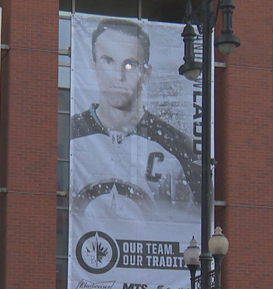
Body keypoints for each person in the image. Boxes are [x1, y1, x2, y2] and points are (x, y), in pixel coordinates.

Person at [69, 18, 200, 220]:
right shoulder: (69, 133)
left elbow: (188, 224)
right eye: (108, 61)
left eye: (130, 64)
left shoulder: (178, 145)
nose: (118, 76)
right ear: (92, 66)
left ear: (146, 73)